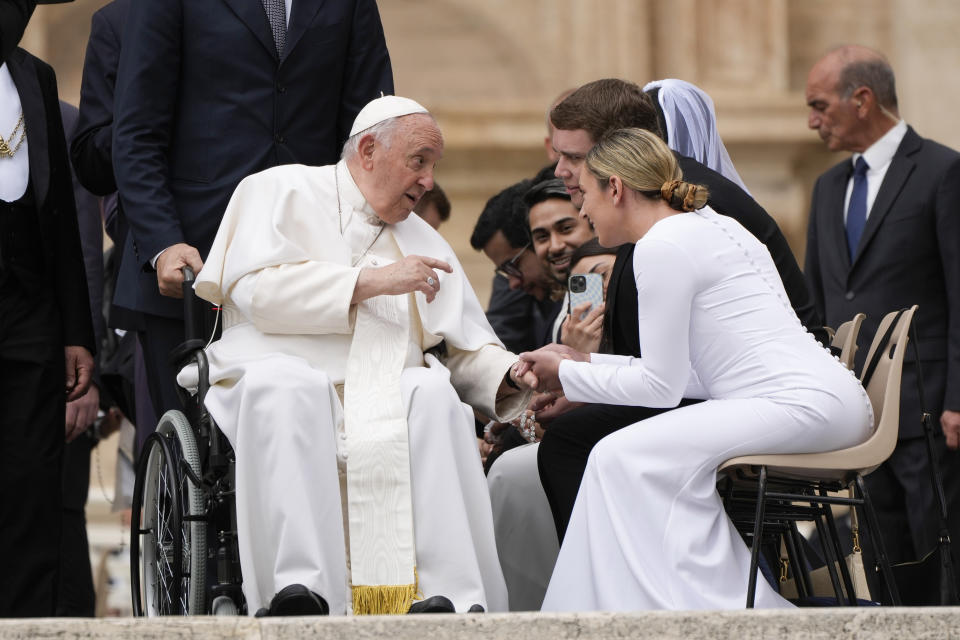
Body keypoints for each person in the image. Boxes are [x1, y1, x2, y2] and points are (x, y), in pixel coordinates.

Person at [190, 96, 536, 616]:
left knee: (431, 392)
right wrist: (371, 282)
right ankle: (300, 591)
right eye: (419, 161)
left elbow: (465, 348)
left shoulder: (422, 238)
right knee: (290, 388)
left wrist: (511, 374)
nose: (428, 181)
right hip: (273, 368)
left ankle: (447, 596)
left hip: (384, 389)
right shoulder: (277, 189)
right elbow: (256, 293)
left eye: (433, 166)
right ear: (369, 149)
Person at [520, 127, 872, 611]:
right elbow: (692, 374)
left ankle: (722, 613)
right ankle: (642, 609)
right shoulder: (707, 225)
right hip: (819, 400)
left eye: (585, 194)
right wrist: (581, 362)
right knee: (620, 455)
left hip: (801, 405)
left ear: (616, 188)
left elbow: (660, 387)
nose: (582, 211)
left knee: (617, 455)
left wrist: (566, 374)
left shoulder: (662, 246)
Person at [538, 78, 822, 540]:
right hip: (717, 383)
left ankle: (625, 585)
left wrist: (579, 377)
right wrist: (584, 377)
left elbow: (667, 376)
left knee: (576, 444)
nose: (560, 170)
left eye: (573, 157)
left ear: (618, 153)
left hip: (751, 392)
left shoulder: (681, 215)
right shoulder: (659, 205)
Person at [112, 0, 394, 420]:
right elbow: (137, 134)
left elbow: (367, 130)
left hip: (312, 266)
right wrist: (163, 242)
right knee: (200, 455)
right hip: (194, 263)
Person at [804, 45, 960, 589]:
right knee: (880, 553)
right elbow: (821, 304)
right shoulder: (827, 188)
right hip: (858, 411)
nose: (812, 121)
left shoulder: (943, 171)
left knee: (941, 547)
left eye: (820, 105)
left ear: (862, 99)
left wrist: (958, 400)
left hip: (929, 407)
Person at [0, 0, 96, 616]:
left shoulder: (34, 76)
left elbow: (61, 217)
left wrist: (77, 333)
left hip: (28, 308)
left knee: (30, 481)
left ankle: (24, 622)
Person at [486, 238, 617, 611]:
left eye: (605, 275)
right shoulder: (568, 331)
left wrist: (584, 367)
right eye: (583, 285)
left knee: (515, 470)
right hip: (570, 440)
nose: (598, 290)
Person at [470, 179, 561, 353]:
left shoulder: (592, 283)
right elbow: (503, 334)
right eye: (505, 272)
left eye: (513, 266)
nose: (513, 284)